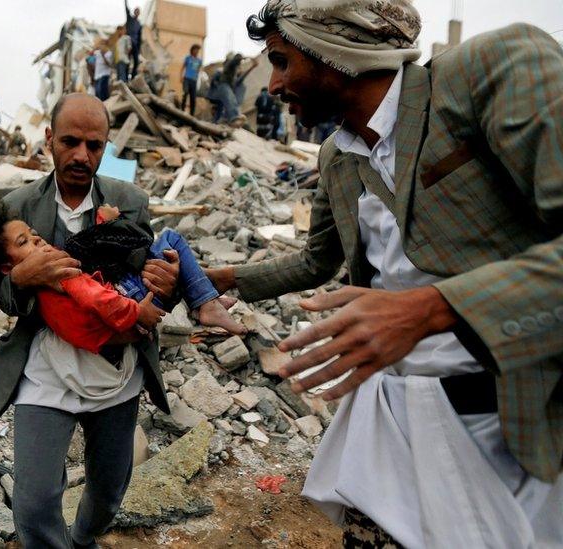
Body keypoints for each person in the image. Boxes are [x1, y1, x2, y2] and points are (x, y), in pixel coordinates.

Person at [203, 2, 563, 546]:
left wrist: (432, 309)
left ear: (335, 53)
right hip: (393, 424)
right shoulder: (337, 156)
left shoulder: (491, 70)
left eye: (282, 61)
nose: (272, 85)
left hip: (513, 423)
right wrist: (223, 276)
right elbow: (315, 262)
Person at [0, 93, 182, 548]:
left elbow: (147, 288)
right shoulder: (16, 207)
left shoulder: (130, 201)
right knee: (33, 504)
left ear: (107, 146)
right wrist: (20, 278)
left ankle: (83, 539)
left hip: (116, 369)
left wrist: (166, 282)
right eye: (70, 142)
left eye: (94, 146)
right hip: (45, 369)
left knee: (109, 491)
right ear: (49, 139)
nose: (81, 156)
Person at [0, 202, 244, 352]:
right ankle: (207, 302)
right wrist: (135, 313)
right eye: (24, 242)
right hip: (124, 307)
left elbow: (103, 246)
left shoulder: (129, 196)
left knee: (167, 260)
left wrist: (109, 223)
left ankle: (206, 294)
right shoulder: (56, 271)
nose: (37, 239)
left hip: (124, 311)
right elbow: (97, 297)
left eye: (33, 234)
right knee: (172, 238)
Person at [181, 44, 202, 115]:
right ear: (192, 50)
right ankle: (182, 110)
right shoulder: (188, 58)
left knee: (193, 98)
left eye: (198, 50)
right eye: (195, 49)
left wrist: (197, 79)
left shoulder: (199, 60)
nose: (196, 51)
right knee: (185, 93)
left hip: (194, 80)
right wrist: (181, 76)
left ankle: (191, 114)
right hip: (187, 79)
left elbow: (198, 71)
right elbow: (183, 67)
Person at [124, 0, 143, 78]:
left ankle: (133, 77)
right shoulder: (130, 19)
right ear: (134, 12)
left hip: (135, 44)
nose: (136, 12)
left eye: (138, 11)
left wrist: (139, 50)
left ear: (139, 13)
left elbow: (139, 37)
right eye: (136, 11)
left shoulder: (139, 24)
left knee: (136, 61)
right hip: (128, 42)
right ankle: (125, 77)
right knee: (127, 61)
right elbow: (126, 9)